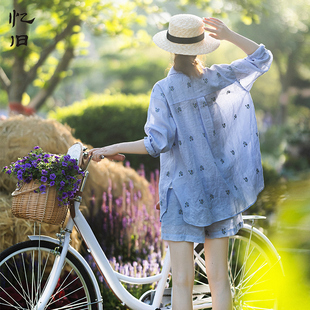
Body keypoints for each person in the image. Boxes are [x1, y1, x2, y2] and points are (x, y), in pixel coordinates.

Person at [89, 14, 273, 310]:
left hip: (180, 195)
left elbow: (156, 143)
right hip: (219, 190)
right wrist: (228, 34)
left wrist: (112, 147)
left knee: (183, 282)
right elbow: (262, 58)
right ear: (200, 48)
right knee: (220, 280)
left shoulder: (163, 89)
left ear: (170, 48)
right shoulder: (215, 78)